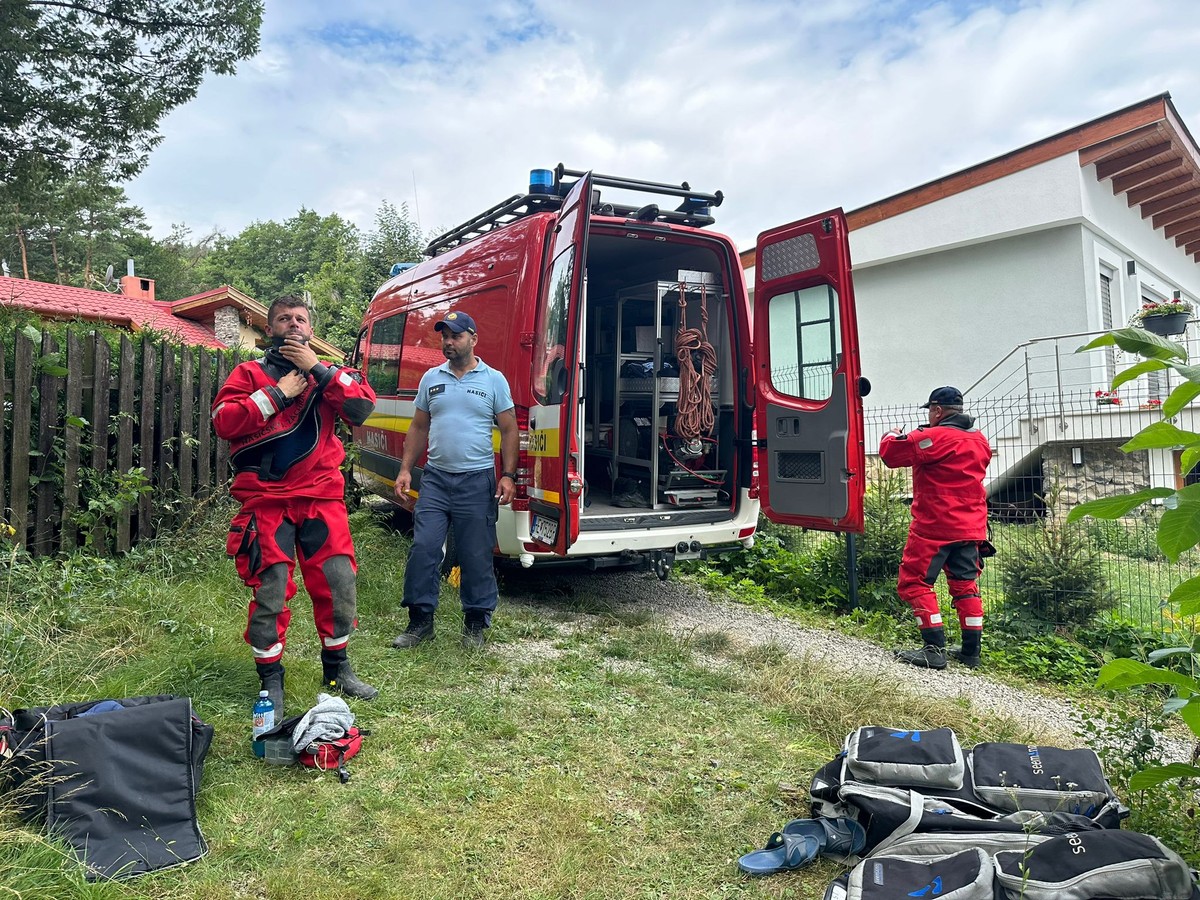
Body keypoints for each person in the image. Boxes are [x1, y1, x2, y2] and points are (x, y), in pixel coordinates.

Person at [212, 295, 379, 717]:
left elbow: (361, 408)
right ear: (270, 329)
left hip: (322, 497)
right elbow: (224, 422)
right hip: (265, 502)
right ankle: (270, 681)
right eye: (283, 319)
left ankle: (337, 669)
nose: (293, 324)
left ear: (310, 329)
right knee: (270, 591)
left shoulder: (330, 376)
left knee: (339, 585)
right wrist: (278, 394)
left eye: (300, 319)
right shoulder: (248, 373)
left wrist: (316, 369)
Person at [392, 310, 518, 650]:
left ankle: (475, 624)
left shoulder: (494, 380)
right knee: (424, 548)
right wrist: (405, 469)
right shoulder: (431, 378)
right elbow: (419, 427)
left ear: (473, 339)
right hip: (435, 479)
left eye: (456, 335)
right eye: (444, 336)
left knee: (476, 554)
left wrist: (507, 475)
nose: (448, 342)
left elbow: (509, 430)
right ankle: (420, 623)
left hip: (477, 481)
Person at [880, 386, 993, 670]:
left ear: (937, 411)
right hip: (971, 526)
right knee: (965, 584)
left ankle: (934, 649)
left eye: (930, 411)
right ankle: (971, 652)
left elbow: (890, 454)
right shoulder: (980, 440)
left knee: (914, 582)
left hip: (935, 525)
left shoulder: (934, 436)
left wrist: (892, 434)